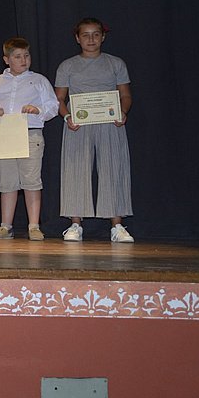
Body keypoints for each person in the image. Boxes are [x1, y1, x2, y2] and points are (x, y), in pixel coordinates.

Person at [54, 18, 133, 243]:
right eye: (86, 35)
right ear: (77, 38)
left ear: (103, 37)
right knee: (75, 169)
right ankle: (75, 224)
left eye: (96, 34)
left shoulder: (115, 63)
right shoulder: (67, 66)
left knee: (114, 167)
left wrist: (123, 112)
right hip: (78, 123)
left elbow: (125, 95)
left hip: (110, 122)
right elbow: (59, 98)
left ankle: (117, 226)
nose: (91, 39)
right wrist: (67, 116)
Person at [0, 37, 59, 241]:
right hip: (4, 134)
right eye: (17, 56)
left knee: (31, 180)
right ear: (6, 59)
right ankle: (5, 226)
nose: (23, 60)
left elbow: (53, 106)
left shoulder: (39, 80)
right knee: (7, 182)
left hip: (30, 133)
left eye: (26, 55)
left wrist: (38, 109)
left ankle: (34, 226)